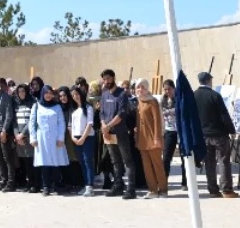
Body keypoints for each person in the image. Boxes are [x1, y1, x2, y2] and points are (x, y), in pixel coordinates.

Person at [193, 71, 238, 198]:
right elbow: (224, 115)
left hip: (203, 135)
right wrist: (232, 130)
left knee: (209, 163)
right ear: (208, 81)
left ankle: (213, 190)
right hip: (219, 134)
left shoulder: (194, 96)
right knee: (223, 161)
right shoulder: (215, 95)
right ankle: (227, 189)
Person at [99, 69, 137, 199]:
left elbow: (121, 114)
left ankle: (131, 189)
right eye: (104, 79)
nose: (106, 81)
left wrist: (108, 126)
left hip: (120, 132)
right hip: (108, 133)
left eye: (108, 78)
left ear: (114, 78)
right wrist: (104, 126)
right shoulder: (104, 94)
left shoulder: (122, 94)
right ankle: (118, 185)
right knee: (115, 161)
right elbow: (102, 113)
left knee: (127, 161)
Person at [26, 82, 68, 196]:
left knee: (55, 161)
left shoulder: (57, 106)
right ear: (43, 93)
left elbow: (61, 123)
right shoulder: (37, 106)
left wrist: (60, 138)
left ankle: (56, 184)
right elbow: (32, 123)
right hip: (41, 137)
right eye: (46, 93)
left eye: (50, 93)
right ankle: (46, 186)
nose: (48, 95)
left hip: (55, 137)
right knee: (44, 162)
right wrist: (33, 138)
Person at [134, 79, 167, 197]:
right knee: (147, 167)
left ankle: (163, 189)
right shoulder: (138, 102)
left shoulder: (153, 102)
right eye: (138, 87)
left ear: (147, 88)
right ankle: (153, 189)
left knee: (157, 165)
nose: (140, 90)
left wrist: (157, 138)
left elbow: (157, 121)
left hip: (153, 139)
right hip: (142, 139)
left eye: (143, 87)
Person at [69, 83, 95, 196]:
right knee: (82, 163)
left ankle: (90, 186)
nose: (75, 96)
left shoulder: (88, 107)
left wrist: (83, 138)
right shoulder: (73, 110)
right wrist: (73, 138)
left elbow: (89, 124)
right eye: (73, 95)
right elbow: (70, 126)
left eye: (77, 94)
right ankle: (86, 185)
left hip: (87, 137)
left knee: (88, 161)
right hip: (76, 138)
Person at [160, 78, 185, 189]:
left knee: (184, 157)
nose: (167, 91)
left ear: (174, 89)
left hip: (180, 131)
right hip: (169, 131)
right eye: (165, 89)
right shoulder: (163, 101)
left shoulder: (179, 99)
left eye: (169, 89)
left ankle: (185, 182)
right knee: (166, 158)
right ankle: (164, 181)